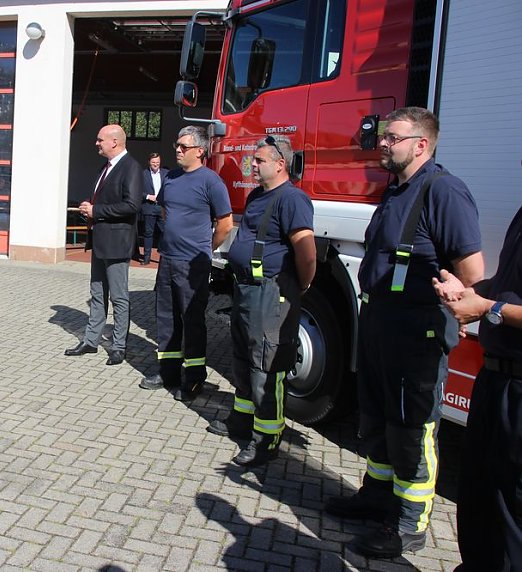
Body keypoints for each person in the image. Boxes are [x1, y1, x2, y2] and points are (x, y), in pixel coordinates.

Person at [324, 107, 484, 558]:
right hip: (380, 325)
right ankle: (376, 497)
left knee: (413, 427)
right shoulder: (396, 190)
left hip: (416, 333)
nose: (383, 144)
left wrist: (462, 300)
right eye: (384, 137)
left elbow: (472, 273)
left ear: (421, 144)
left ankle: (409, 526)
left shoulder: (444, 191)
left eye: (392, 137)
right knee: (376, 418)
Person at [209, 135, 315, 466]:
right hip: (245, 288)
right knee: (242, 356)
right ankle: (241, 420)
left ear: (280, 164)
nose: (252, 165)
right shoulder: (257, 196)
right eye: (253, 160)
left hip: (270, 292)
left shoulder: (293, 199)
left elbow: (306, 251)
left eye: (259, 160)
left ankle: (266, 438)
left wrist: (302, 283)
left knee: (266, 364)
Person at [433, 206, 522, 571]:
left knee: (512, 507)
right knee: (478, 493)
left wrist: (487, 307)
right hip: (495, 380)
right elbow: (508, 286)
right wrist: (468, 291)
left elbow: (500, 303)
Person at [139, 125, 233, 400]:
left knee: (192, 321)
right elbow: (167, 210)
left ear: (200, 151)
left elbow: (225, 224)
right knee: (166, 318)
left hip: (193, 264)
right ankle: (167, 372)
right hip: (167, 260)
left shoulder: (211, 182)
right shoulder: (172, 178)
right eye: (176, 146)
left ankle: (193, 379)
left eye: (183, 147)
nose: (177, 150)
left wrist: (206, 248)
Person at [64, 124, 143, 366]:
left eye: (100, 140)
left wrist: (96, 210)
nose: (96, 143)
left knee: (119, 297)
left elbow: (132, 206)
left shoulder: (131, 168)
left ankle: (119, 346)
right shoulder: (105, 168)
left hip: (117, 244)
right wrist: (90, 208)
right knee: (97, 294)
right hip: (100, 242)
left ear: (115, 142)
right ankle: (91, 341)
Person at [139, 153, 168, 265]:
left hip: (162, 207)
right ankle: (146, 258)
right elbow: (137, 191)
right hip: (149, 207)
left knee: (165, 232)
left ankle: (164, 256)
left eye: (157, 162)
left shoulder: (166, 174)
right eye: (153, 162)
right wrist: (148, 196)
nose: (155, 164)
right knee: (148, 233)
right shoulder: (143, 174)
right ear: (149, 162)